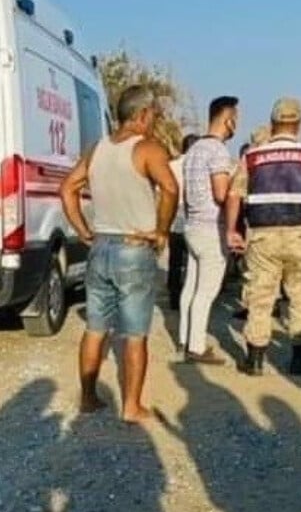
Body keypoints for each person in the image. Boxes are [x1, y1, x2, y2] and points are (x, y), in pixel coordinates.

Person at [60, 85, 178, 424]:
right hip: (134, 248)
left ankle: (88, 398)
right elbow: (170, 188)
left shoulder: (97, 149)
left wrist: (84, 231)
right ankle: (131, 406)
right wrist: (162, 230)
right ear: (141, 115)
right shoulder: (147, 149)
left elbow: (67, 188)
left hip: (100, 248)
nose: (155, 120)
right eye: (153, 114)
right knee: (135, 334)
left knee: (95, 329)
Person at [225, 97, 301, 376]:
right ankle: (300, 358)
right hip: (300, 235)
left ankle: (254, 359)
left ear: (272, 123)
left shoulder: (252, 156)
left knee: (260, 296)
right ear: (299, 124)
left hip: (262, 236)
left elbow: (234, 195)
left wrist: (231, 230)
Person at [178, 96, 239, 364]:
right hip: (211, 227)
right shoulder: (218, 151)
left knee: (190, 287)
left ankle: (184, 337)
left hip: (192, 225)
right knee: (206, 292)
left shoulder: (194, 149)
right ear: (228, 119)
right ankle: (197, 347)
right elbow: (221, 192)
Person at [167, 134, 200, 311]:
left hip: (173, 213)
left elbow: (161, 192)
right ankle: (191, 295)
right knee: (192, 260)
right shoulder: (200, 165)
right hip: (194, 214)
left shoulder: (171, 166)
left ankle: (174, 295)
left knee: (174, 259)